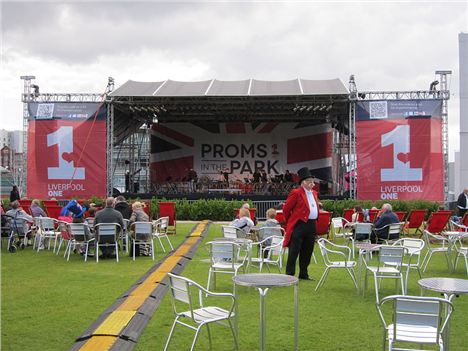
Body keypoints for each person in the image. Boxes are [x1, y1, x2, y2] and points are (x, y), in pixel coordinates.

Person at [283, 167, 320, 280]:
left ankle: (303, 273)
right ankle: (290, 274)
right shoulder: (296, 193)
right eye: (309, 181)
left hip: (311, 224)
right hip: (299, 224)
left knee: (308, 250)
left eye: (312, 181)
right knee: (294, 250)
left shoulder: (314, 193)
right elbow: (286, 209)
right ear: (303, 182)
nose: (312, 183)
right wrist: (292, 221)